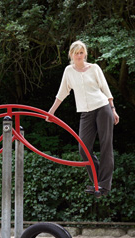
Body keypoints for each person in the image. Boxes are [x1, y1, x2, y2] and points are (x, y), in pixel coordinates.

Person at [46, 40, 119, 198]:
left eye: (81, 52)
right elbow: (62, 93)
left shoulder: (94, 68)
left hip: (102, 107)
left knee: (106, 145)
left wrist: (113, 109)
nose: (79, 55)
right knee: (83, 148)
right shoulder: (68, 71)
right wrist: (51, 112)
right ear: (71, 55)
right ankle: (97, 182)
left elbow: (105, 88)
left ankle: (103, 186)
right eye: (76, 53)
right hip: (85, 112)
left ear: (85, 54)